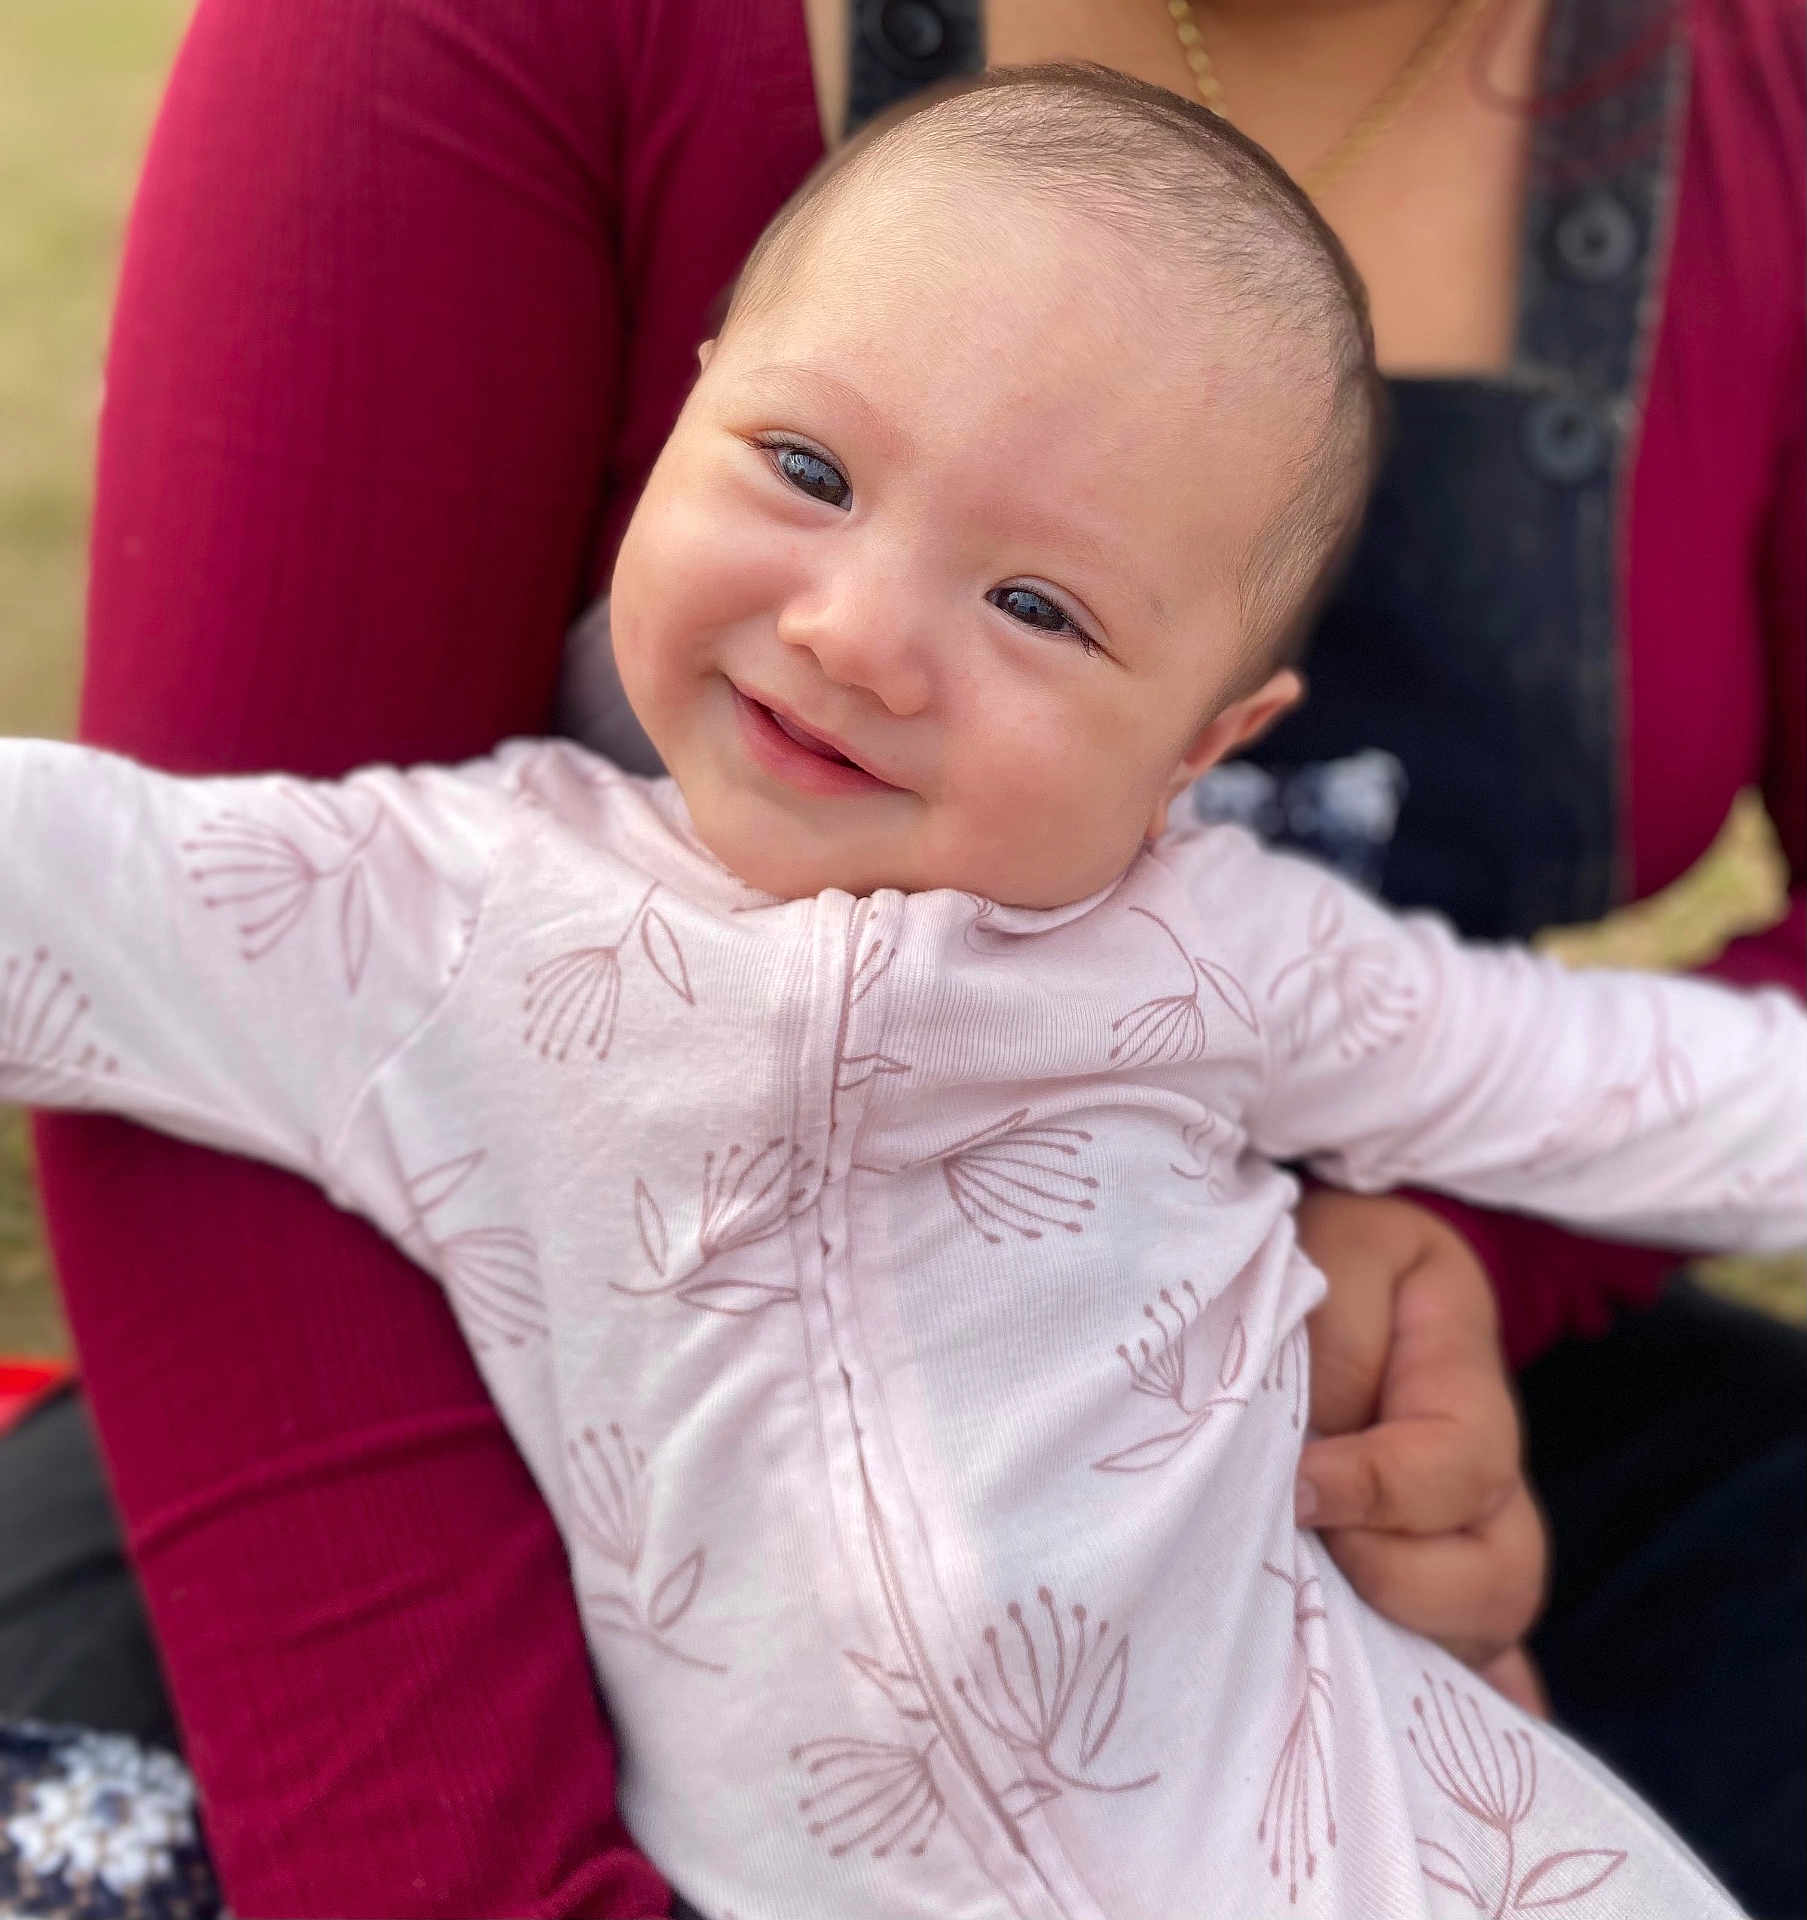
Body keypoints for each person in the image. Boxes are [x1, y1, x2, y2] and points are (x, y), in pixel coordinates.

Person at [10, 0, 1798, 1915]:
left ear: (1208, 747)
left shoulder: (1227, 948)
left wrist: (1421, 1280)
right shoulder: (429, 912)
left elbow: (1647, 1092)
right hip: (601, 1683)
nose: (860, 634)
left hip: (1322, 1802)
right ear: (685, 404)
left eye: (1037, 604)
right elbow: (77, 889)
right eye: (803, 468)